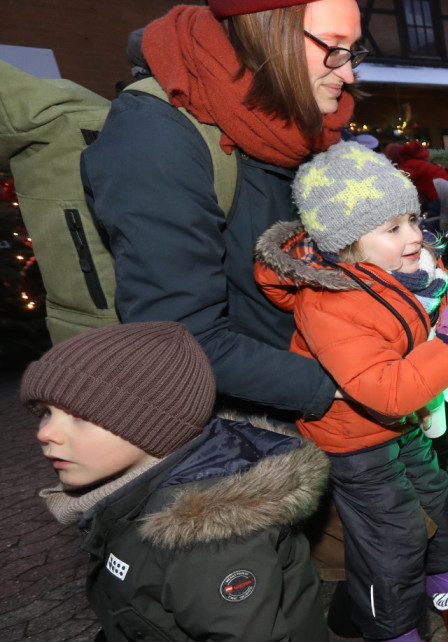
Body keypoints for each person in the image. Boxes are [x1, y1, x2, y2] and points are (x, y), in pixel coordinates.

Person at [253, 141, 448, 642]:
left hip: (404, 423)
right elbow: (386, 391)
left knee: (434, 493)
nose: (414, 236)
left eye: (412, 220)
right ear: (347, 243)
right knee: (391, 535)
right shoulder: (328, 302)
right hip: (353, 440)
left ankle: (441, 579)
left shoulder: (408, 270)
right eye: (393, 228)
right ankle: (387, 637)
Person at [22, 322, 338, 642]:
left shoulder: (209, 541)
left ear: (152, 423)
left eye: (78, 416)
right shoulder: (126, 490)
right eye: (45, 411)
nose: (45, 433)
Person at [82, 0, 360, 420]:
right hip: (251, 422)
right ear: (268, 33)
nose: (348, 74)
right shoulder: (155, 135)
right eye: (333, 47)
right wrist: (356, 387)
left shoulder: (306, 124)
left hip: (323, 381)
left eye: (353, 51)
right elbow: (180, 338)